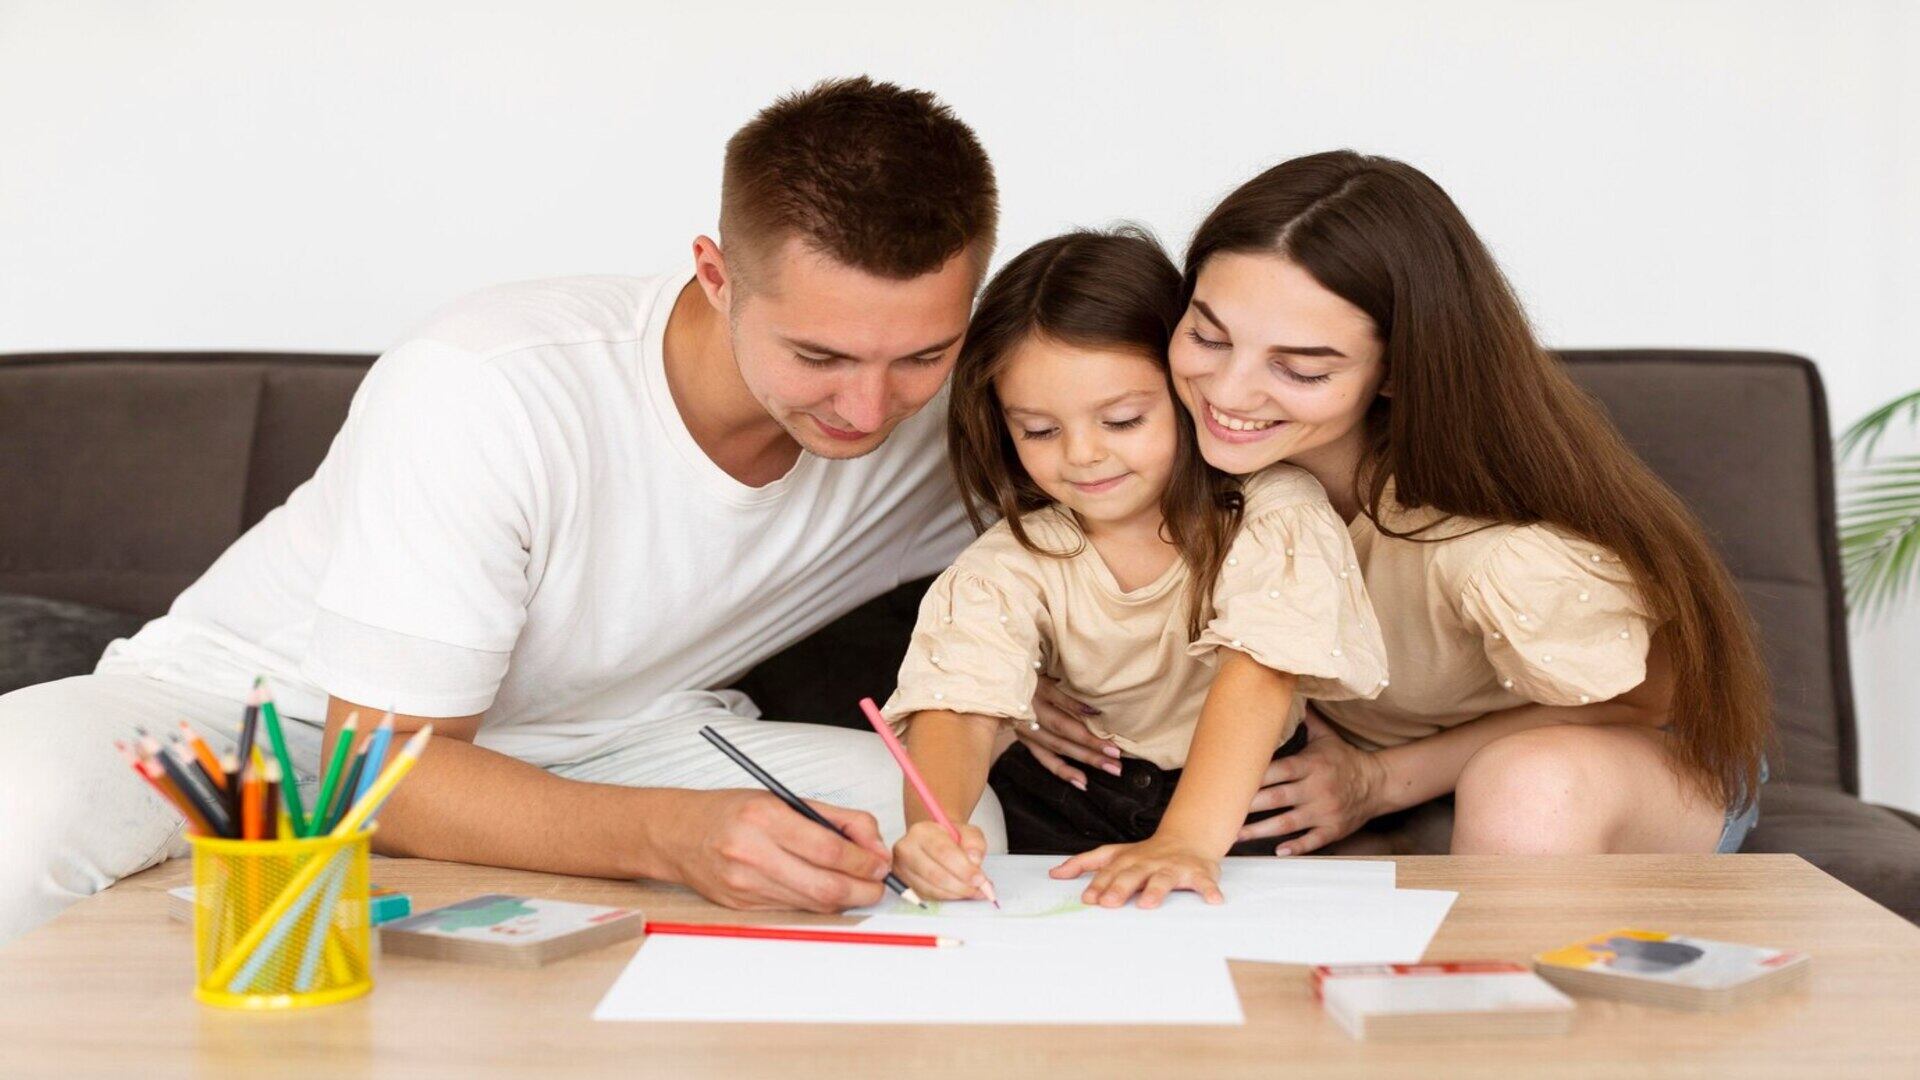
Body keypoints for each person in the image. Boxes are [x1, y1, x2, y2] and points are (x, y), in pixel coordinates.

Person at [0, 76, 1007, 942]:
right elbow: (379, 769)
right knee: (22, 799)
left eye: (921, 355)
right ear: (716, 275)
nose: (869, 408)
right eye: (819, 357)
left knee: (923, 820)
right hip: (274, 723)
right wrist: (667, 835)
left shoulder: (981, 419)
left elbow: (1130, 495)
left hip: (607, 741)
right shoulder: (492, 383)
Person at [1013, 151, 1770, 858]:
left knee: (1525, 787)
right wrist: (1031, 678)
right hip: (1358, 757)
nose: (1228, 392)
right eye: (1210, 336)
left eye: (1301, 368)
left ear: (1398, 371)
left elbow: (1645, 706)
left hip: (1621, 758)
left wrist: (1382, 782)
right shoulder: (1160, 442)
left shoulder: (1495, 548)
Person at [880, 229, 1386, 909]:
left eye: (1121, 420)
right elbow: (959, 708)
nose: (1083, 455)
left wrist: (1186, 841)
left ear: (1187, 395)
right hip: (1066, 801)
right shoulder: (1010, 561)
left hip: (1240, 803)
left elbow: (1258, 677)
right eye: (1039, 430)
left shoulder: (1273, 517)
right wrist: (934, 827)